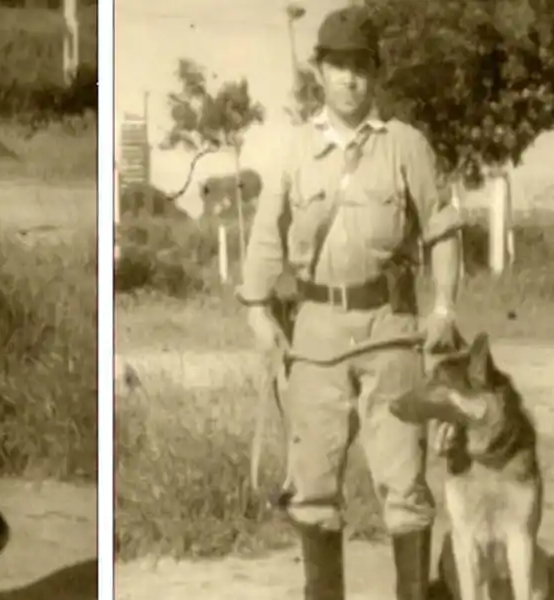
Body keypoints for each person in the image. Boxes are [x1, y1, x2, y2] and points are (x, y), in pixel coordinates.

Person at [238, 6, 463, 600]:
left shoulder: (405, 146)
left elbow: (442, 230)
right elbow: (266, 237)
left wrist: (443, 307)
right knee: (312, 489)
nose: (349, 79)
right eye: (338, 66)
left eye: (360, 67)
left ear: (375, 73)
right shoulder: (292, 148)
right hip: (315, 334)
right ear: (319, 72)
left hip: (391, 331)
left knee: (405, 487)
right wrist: (257, 311)